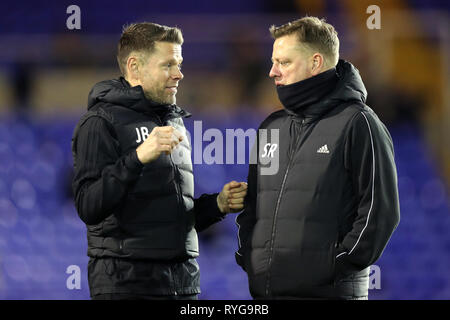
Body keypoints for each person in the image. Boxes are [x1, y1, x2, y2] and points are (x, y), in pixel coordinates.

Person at [71, 22, 247, 300]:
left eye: (179, 64)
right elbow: (88, 206)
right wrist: (138, 157)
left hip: (182, 283)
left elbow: (170, 220)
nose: (179, 74)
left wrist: (217, 205)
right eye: (168, 65)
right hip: (128, 285)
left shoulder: (174, 122)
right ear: (134, 67)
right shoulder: (99, 122)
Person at [235, 17, 400, 300]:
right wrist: (249, 258)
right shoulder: (271, 127)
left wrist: (334, 267)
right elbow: (252, 206)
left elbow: (380, 213)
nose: (273, 72)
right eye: (273, 61)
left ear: (315, 63)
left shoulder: (359, 123)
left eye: (284, 62)